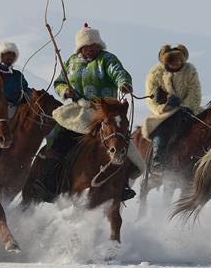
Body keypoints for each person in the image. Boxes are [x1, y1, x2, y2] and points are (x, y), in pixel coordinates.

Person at [30, 23, 136, 200]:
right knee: (58, 140)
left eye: (93, 45)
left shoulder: (106, 59)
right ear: (80, 47)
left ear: (98, 45)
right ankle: (48, 183)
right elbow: (59, 82)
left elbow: (119, 73)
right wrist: (66, 90)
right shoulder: (71, 62)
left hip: (105, 112)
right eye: (86, 46)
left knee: (121, 142)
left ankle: (122, 184)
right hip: (78, 112)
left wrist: (123, 83)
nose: (90, 49)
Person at [142, 44, 202, 175]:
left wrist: (188, 107)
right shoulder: (155, 73)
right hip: (165, 112)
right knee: (162, 129)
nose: (176, 64)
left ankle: (202, 159)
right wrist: (164, 105)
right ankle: (157, 160)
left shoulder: (190, 71)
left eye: (178, 61)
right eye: (172, 62)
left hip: (187, 109)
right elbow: (151, 96)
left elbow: (194, 91)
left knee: (203, 126)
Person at [0, 41, 32, 108]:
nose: (10, 56)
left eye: (13, 54)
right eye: (8, 53)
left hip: (15, 109)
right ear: (1, 55)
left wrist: (35, 94)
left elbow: (26, 90)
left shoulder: (18, 75)